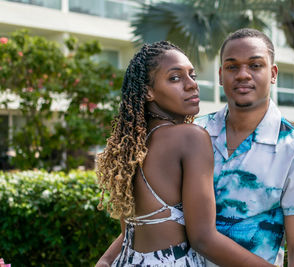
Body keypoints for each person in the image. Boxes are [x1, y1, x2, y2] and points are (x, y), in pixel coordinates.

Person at [95, 41, 274, 267]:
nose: (191, 85)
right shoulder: (191, 137)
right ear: (148, 91)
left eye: (192, 75)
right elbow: (203, 239)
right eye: (175, 78)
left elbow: (132, 230)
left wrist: (104, 261)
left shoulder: (132, 148)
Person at [195, 28, 294, 267]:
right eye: (232, 66)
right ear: (220, 75)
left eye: (255, 65)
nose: (243, 74)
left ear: (273, 73)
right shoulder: (194, 133)